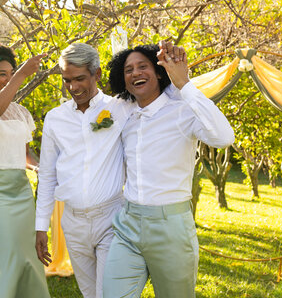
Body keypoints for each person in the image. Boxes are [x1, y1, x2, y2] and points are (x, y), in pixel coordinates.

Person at [103, 42, 234, 298]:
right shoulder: (124, 112)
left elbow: (224, 137)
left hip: (171, 227)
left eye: (143, 67)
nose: (135, 73)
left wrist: (183, 83)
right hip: (127, 224)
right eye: (128, 70)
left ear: (159, 72)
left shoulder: (182, 110)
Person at [34, 42, 139, 298]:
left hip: (111, 218)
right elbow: (47, 175)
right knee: (90, 293)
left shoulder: (121, 108)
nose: (73, 87)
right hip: (72, 222)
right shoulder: (55, 118)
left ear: (97, 74)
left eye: (80, 78)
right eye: (67, 80)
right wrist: (40, 227)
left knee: (110, 292)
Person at [0, 45, 50, 298]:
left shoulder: (22, 113)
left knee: (29, 257)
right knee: (8, 257)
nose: (9, 78)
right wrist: (22, 75)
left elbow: (25, 154)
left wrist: (39, 168)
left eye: (11, 73)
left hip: (21, 191)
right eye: (3, 74)